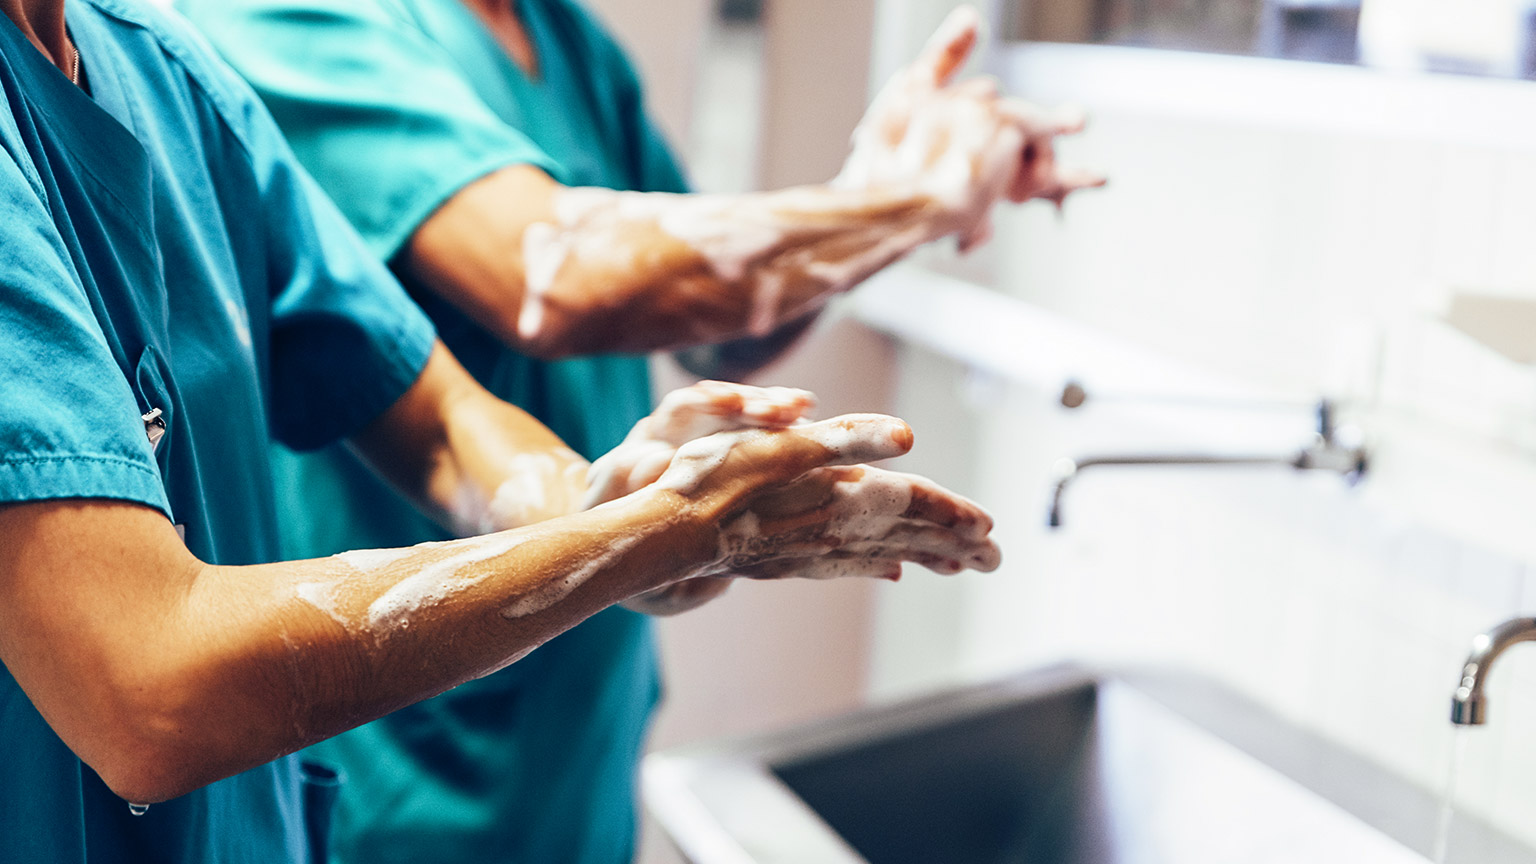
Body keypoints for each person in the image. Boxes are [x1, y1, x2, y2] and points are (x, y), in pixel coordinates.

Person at [0, 0, 1001, 861]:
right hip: (410, 781)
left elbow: (436, 415)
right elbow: (151, 694)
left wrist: (601, 500)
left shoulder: (160, 68)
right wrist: (650, 536)